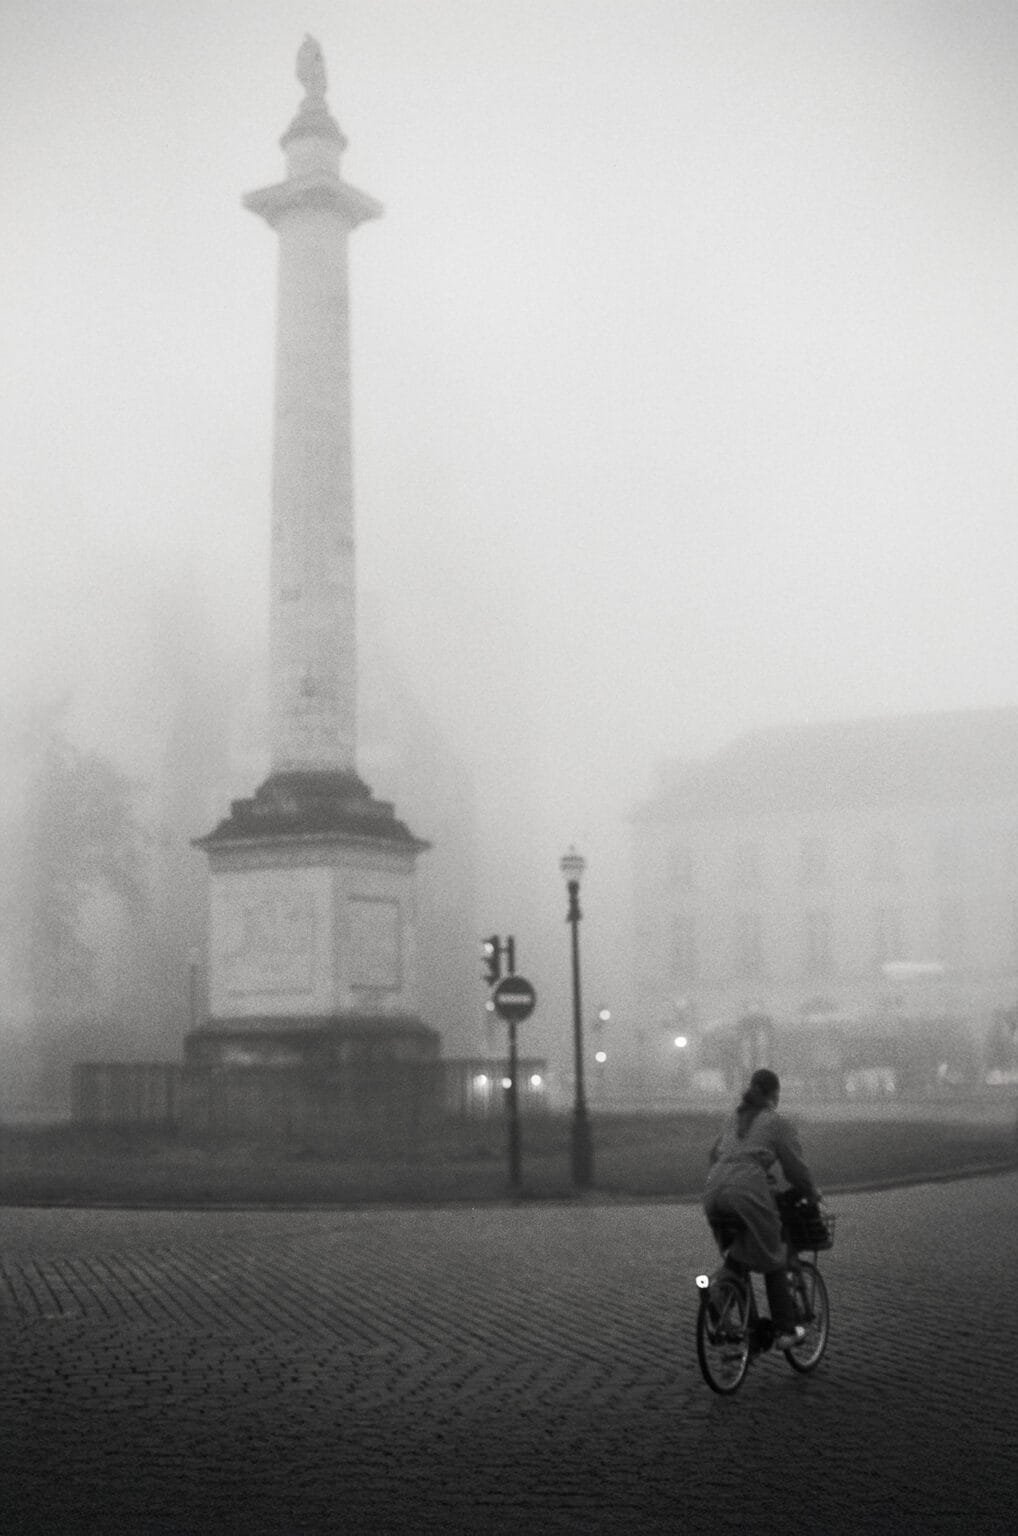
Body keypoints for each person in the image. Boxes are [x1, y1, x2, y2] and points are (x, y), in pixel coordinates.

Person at [703, 1066, 821, 1351]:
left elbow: (713, 1154)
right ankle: (784, 1330)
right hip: (747, 1190)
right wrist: (812, 1194)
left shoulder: (734, 1118)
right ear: (774, 1094)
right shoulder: (776, 1122)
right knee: (774, 1254)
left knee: (740, 1251)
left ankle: (720, 1296)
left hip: (714, 1189)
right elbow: (796, 1170)